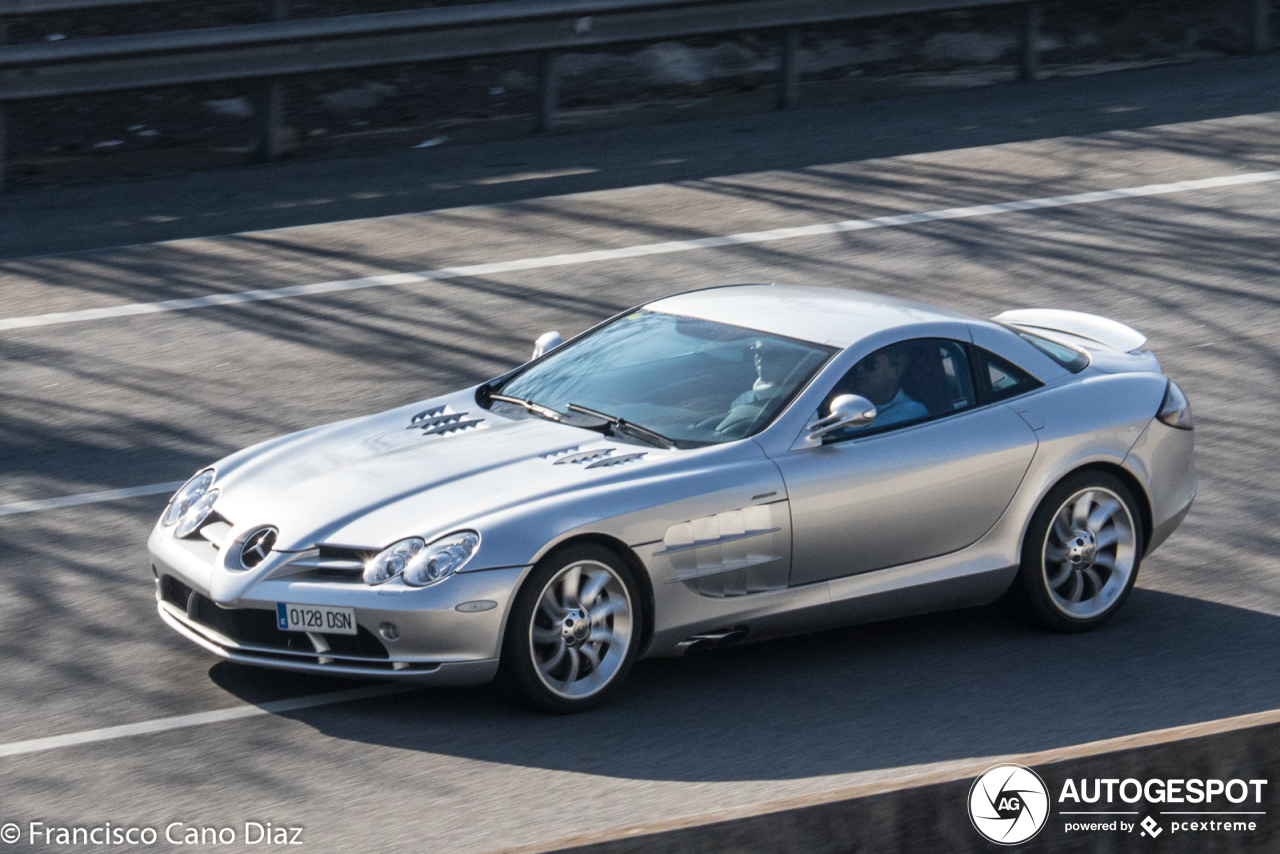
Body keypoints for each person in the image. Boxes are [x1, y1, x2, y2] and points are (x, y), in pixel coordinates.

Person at [834, 344, 927, 431]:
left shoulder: (913, 414)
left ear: (895, 372)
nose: (860, 369)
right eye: (861, 362)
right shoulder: (845, 400)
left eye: (870, 364)